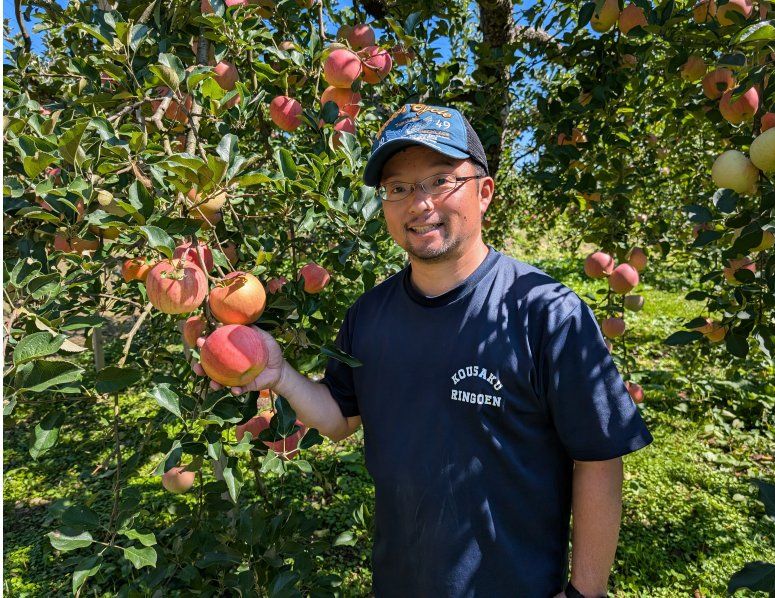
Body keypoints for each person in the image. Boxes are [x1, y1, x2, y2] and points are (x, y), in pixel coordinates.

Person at [194, 103, 653, 597]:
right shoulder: (369, 316)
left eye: (440, 181)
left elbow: (599, 458)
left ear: (484, 191)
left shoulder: (545, 312)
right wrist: (280, 375)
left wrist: (586, 592)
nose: (420, 203)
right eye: (399, 188)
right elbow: (340, 419)